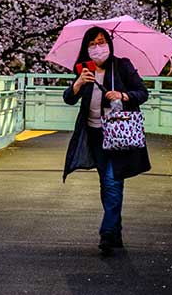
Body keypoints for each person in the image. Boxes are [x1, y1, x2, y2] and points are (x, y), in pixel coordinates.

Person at [62, 27, 150, 255]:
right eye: (92, 43)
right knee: (106, 182)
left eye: (101, 42)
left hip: (118, 133)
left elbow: (143, 92)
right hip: (94, 134)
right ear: (86, 48)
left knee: (112, 181)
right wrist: (79, 83)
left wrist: (123, 95)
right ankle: (115, 231)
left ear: (109, 44)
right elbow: (69, 99)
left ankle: (107, 232)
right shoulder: (84, 69)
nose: (97, 47)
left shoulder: (122, 66)